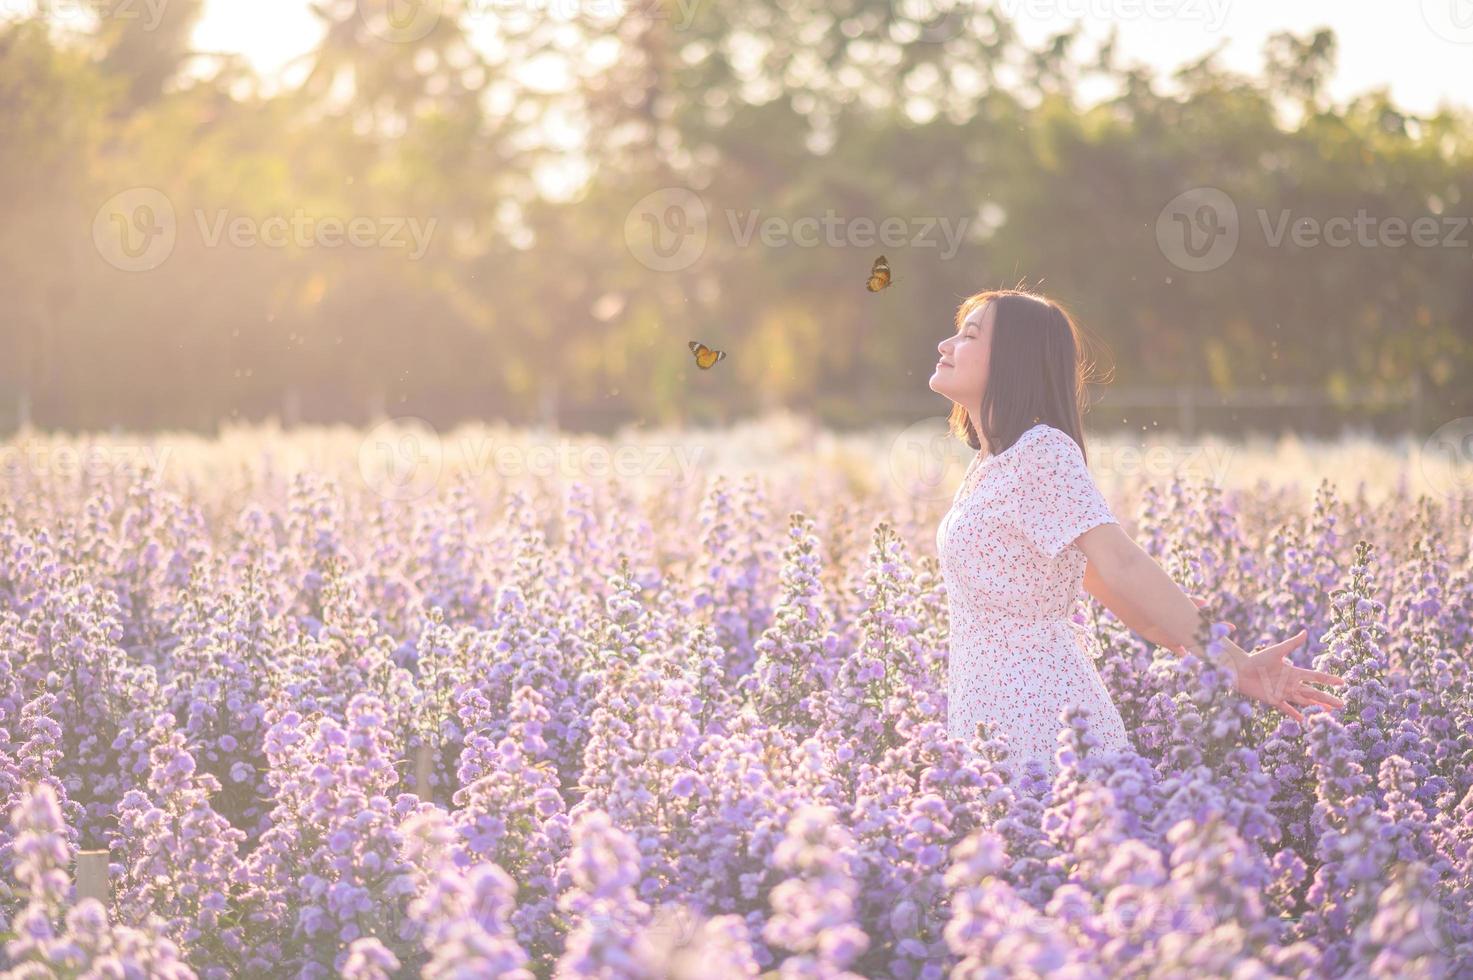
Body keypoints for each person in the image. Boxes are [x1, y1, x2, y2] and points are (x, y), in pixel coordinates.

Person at [929, 288, 1347, 779]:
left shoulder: (1040, 451)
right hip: (988, 712)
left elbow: (1120, 563)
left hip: (1040, 720)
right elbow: (1096, 582)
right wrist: (1178, 638)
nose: (945, 344)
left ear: (1014, 359)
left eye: (969, 335)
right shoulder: (989, 464)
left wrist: (1233, 662)